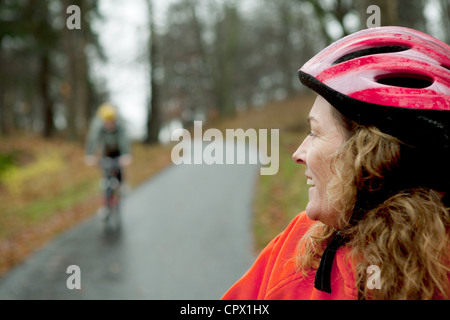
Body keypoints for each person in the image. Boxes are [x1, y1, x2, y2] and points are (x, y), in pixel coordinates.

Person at [222, 26, 450, 300]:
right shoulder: (300, 245)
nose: (298, 153)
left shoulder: (299, 260)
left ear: (370, 153)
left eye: (315, 132)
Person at [85, 103, 132, 201]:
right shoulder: (98, 126)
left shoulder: (120, 126)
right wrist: (89, 155)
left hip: (117, 149)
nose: (109, 124)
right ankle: (106, 203)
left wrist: (126, 154)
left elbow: (124, 140)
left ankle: (122, 185)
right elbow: (93, 140)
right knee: (105, 172)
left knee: (119, 167)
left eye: (111, 121)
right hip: (105, 150)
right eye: (107, 122)